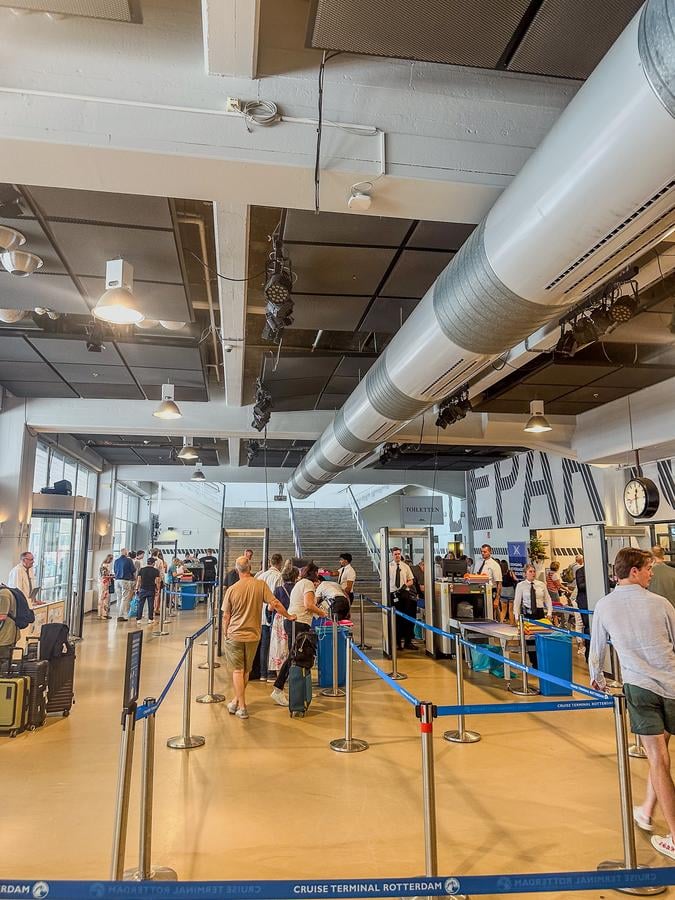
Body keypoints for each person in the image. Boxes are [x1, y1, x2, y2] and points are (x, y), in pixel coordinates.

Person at [588, 548, 675, 860]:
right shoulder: (661, 604)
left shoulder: (605, 606)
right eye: (649, 568)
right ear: (634, 571)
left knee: (658, 759)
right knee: (661, 758)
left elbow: (596, 649)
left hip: (640, 689)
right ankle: (647, 810)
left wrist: (596, 678)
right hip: (671, 686)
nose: (652, 573)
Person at [222, 556, 294, 719]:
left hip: (235, 634)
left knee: (237, 671)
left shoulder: (232, 589)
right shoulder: (260, 585)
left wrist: (225, 632)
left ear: (236, 569)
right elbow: (275, 603)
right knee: (246, 670)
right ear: (250, 567)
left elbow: (226, 616)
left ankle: (242, 706)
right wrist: (288, 615)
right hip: (253, 635)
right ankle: (235, 701)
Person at [271, 563, 325, 706]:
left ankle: (303, 689)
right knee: (295, 657)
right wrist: (322, 613)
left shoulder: (301, 583)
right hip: (299, 622)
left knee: (302, 657)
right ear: (313, 573)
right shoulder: (307, 584)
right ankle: (278, 688)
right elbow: (308, 605)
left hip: (298, 622)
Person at [513, 563, 553, 667]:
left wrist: (549, 612)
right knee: (530, 640)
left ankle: (542, 661)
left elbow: (547, 599)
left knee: (541, 638)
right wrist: (516, 617)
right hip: (528, 614)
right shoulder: (521, 586)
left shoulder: (541, 584)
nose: (533, 573)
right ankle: (534, 662)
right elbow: (517, 602)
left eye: (534, 571)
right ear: (525, 574)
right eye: (530, 571)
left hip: (540, 613)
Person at [255, 553, 284, 682]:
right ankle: (270, 672)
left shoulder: (261, 576)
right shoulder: (279, 577)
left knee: (263, 644)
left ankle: (262, 673)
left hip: (260, 613)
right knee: (272, 643)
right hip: (272, 613)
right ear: (280, 563)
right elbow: (278, 597)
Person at [269, 565, 298, 679]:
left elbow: (270, 608)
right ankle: (292, 672)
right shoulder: (297, 588)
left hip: (280, 619)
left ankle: (279, 674)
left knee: (279, 647)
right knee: (291, 645)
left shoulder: (279, 589)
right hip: (294, 617)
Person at [389, 547, 416, 650]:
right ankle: (397, 642)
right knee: (396, 619)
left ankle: (408, 641)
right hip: (393, 594)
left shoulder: (405, 567)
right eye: (395, 554)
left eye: (399, 554)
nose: (397, 556)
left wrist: (405, 585)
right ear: (392, 555)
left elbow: (411, 580)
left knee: (406, 618)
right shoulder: (388, 567)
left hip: (404, 594)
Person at [476, 544, 502, 619]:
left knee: (490, 614)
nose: (483, 553)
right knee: (481, 613)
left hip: (490, 591)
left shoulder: (494, 565)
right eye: (482, 552)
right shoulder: (480, 563)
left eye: (485, 552)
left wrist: (497, 598)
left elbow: (499, 583)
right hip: (480, 590)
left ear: (490, 552)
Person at [135, 556, 160, 625]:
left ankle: (138, 619)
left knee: (140, 604)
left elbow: (139, 580)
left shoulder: (142, 570)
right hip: (151, 589)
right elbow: (157, 581)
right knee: (151, 604)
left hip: (142, 589)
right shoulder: (156, 571)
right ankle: (150, 619)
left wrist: (137, 588)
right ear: (153, 563)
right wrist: (157, 589)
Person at [113, 548, 136, 622]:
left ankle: (119, 614)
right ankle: (121, 615)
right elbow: (133, 570)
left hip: (117, 580)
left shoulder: (116, 561)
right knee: (125, 598)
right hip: (125, 580)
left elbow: (115, 570)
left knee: (119, 598)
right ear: (126, 553)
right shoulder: (129, 560)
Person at [0, 584, 19, 671]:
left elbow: (2, 616)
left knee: (4, 664)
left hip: (5, 636)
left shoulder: (3, 594)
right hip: (6, 634)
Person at [499, 559, 518, 625]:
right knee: (511, 610)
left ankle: (501, 623)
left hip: (503, 591)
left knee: (503, 610)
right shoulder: (510, 572)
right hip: (511, 592)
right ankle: (512, 623)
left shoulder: (500, 573)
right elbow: (516, 579)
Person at [98, 554, 114, 619]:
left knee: (105, 598)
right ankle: (102, 614)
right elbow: (103, 576)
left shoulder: (104, 565)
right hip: (104, 583)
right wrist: (111, 576)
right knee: (103, 598)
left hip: (106, 583)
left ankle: (105, 613)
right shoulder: (104, 566)